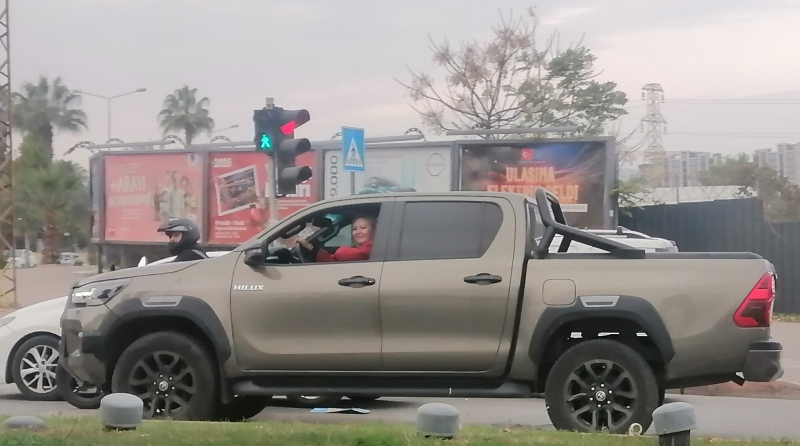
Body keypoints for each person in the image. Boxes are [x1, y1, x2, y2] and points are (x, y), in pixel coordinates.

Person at [298, 216, 376, 262]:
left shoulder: (372, 248)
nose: (357, 232)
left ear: (374, 230)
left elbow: (341, 254)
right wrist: (310, 247)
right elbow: (331, 260)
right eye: (354, 229)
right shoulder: (364, 248)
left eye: (363, 228)